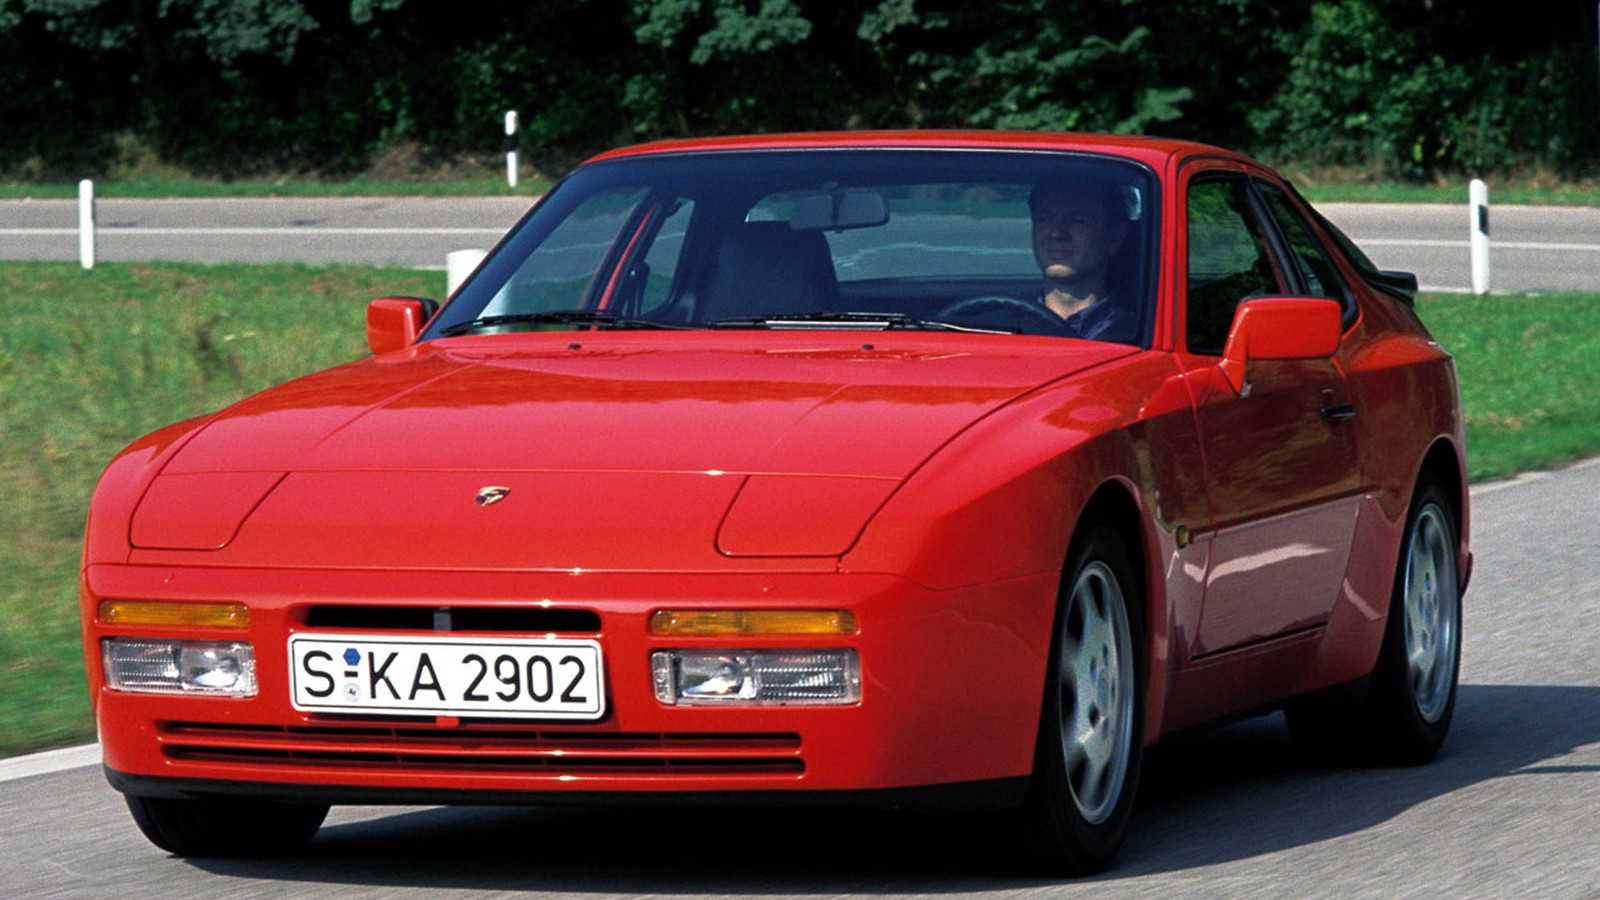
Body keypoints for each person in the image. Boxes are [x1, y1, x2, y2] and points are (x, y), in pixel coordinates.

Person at [1029, 178, 1130, 340]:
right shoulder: (1002, 327)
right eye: (1045, 218)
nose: (1056, 233)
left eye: (1077, 220)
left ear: (1113, 238)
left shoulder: (1136, 334)